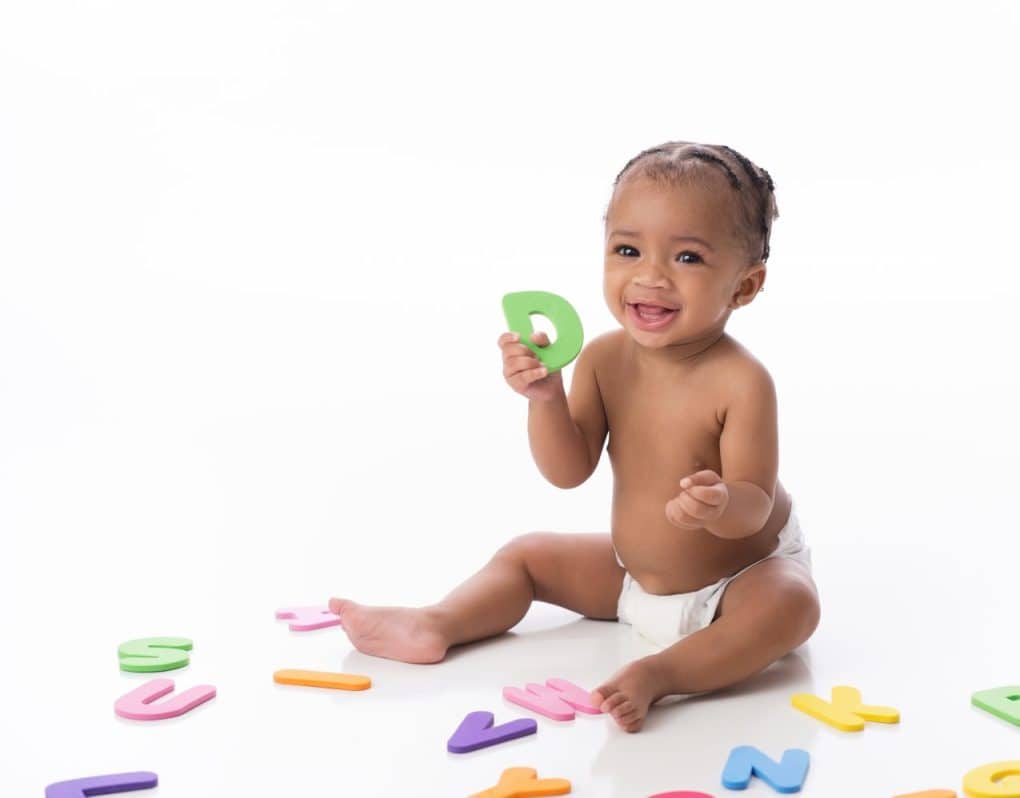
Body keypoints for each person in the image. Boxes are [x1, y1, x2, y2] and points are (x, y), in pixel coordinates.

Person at [330, 141, 820, 732]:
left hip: (736, 580)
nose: (650, 276)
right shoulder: (604, 359)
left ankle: (663, 674)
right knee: (526, 555)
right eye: (628, 249)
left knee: (792, 604)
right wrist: (546, 399)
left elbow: (754, 504)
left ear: (744, 286)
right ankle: (437, 623)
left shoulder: (742, 382)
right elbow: (568, 470)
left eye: (687, 258)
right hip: (633, 576)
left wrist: (719, 504)